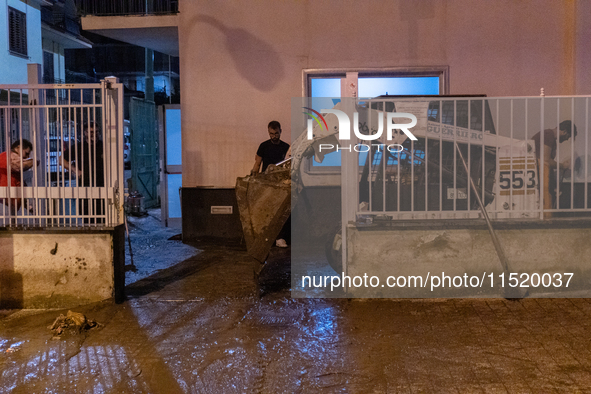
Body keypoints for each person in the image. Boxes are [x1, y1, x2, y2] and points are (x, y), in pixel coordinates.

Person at [251, 121, 290, 247]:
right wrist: (253, 179)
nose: (273, 136)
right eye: (271, 134)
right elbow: (257, 164)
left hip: (281, 183)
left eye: (276, 133)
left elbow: (289, 165)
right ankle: (266, 238)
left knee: (280, 211)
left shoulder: (286, 147)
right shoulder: (263, 146)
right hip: (266, 183)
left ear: (280, 131)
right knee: (267, 210)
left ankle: (280, 238)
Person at [62, 121, 105, 223]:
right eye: (91, 132)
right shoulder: (79, 147)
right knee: (87, 215)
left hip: (102, 185)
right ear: (85, 133)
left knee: (102, 216)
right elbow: (61, 159)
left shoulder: (104, 146)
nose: (94, 134)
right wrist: (75, 170)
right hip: (85, 185)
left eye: (96, 131)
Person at [531, 120, 577, 215]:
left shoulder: (549, 136)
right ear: (564, 131)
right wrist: (562, 166)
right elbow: (545, 160)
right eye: (568, 136)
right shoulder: (549, 136)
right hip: (539, 175)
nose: (566, 140)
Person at [0, 139, 35, 214]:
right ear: (18, 148)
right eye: (26, 153)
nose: (27, 157)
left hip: (8, 197)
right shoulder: (11, 156)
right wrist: (33, 162)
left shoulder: (6, 156)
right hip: (5, 196)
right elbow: (20, 166)